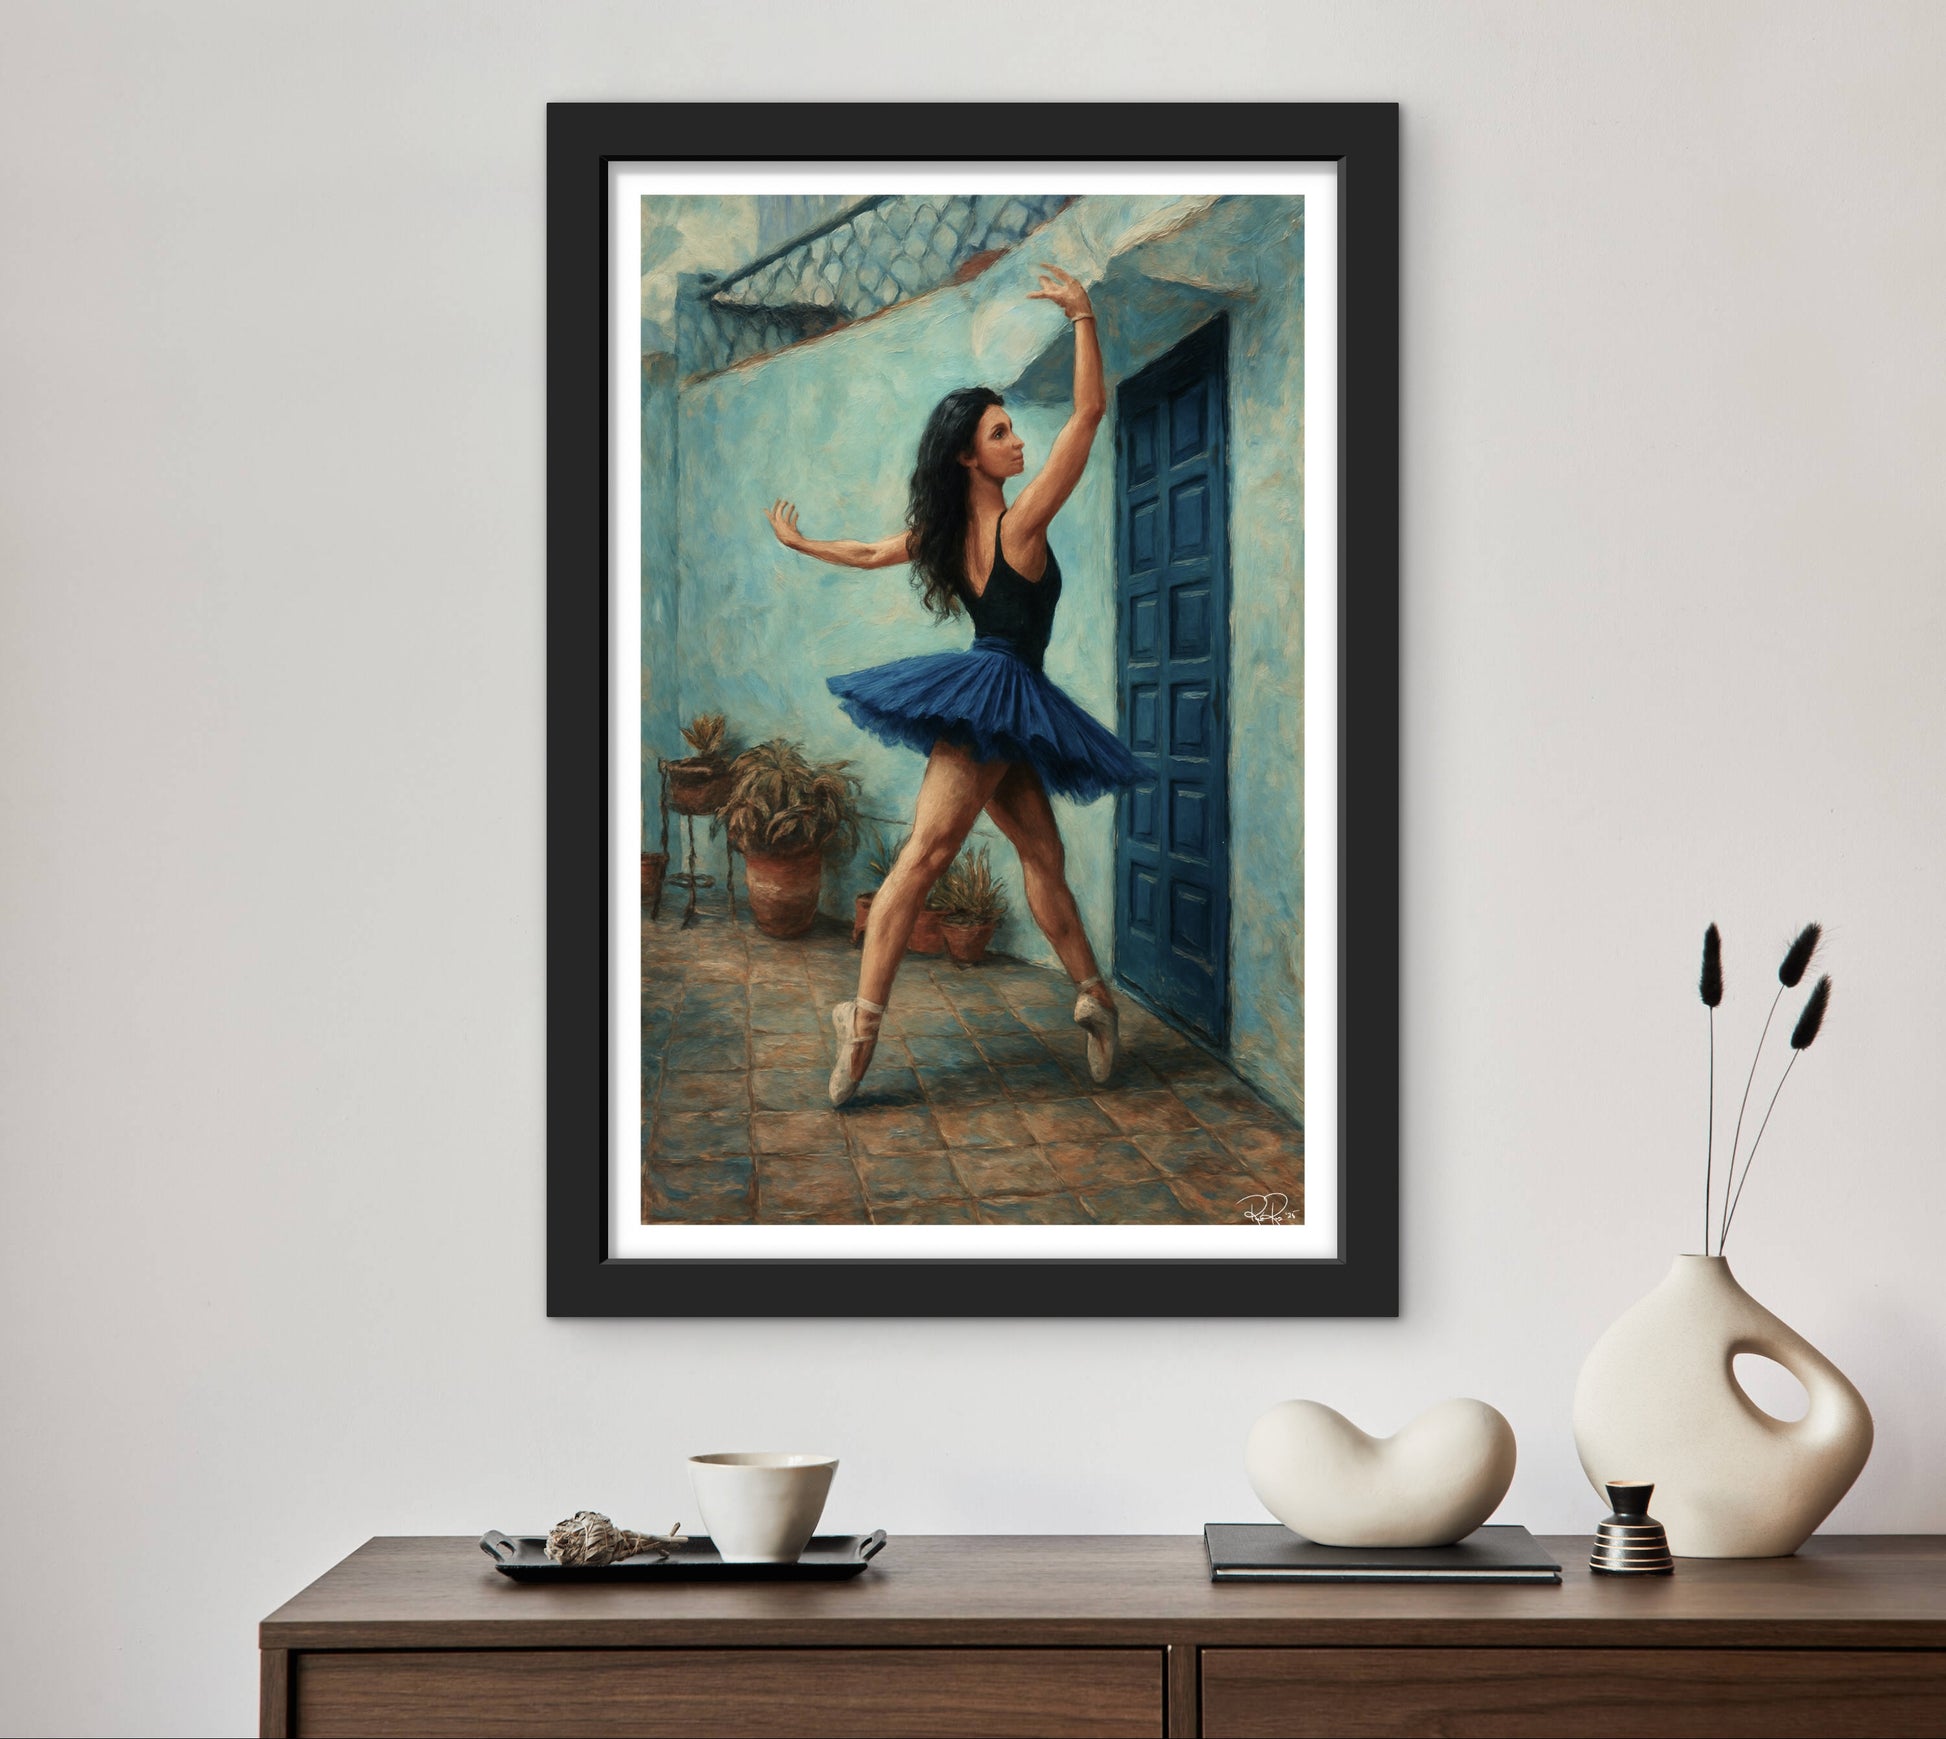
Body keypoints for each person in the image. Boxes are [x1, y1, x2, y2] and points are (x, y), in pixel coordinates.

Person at [763, 262, 1139, 1107]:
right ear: (972, 455)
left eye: (1014, 429)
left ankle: (1095, 998)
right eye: (1002, 432)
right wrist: (1083, 318)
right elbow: (1089, 411)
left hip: (1002, 697)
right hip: (999, 697)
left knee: (1042, 853)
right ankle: (860, 1029)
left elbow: (864, 553)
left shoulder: (943, 532)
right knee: (926, 859)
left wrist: (802, 545)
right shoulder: (1021, 521)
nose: (1018, 441)